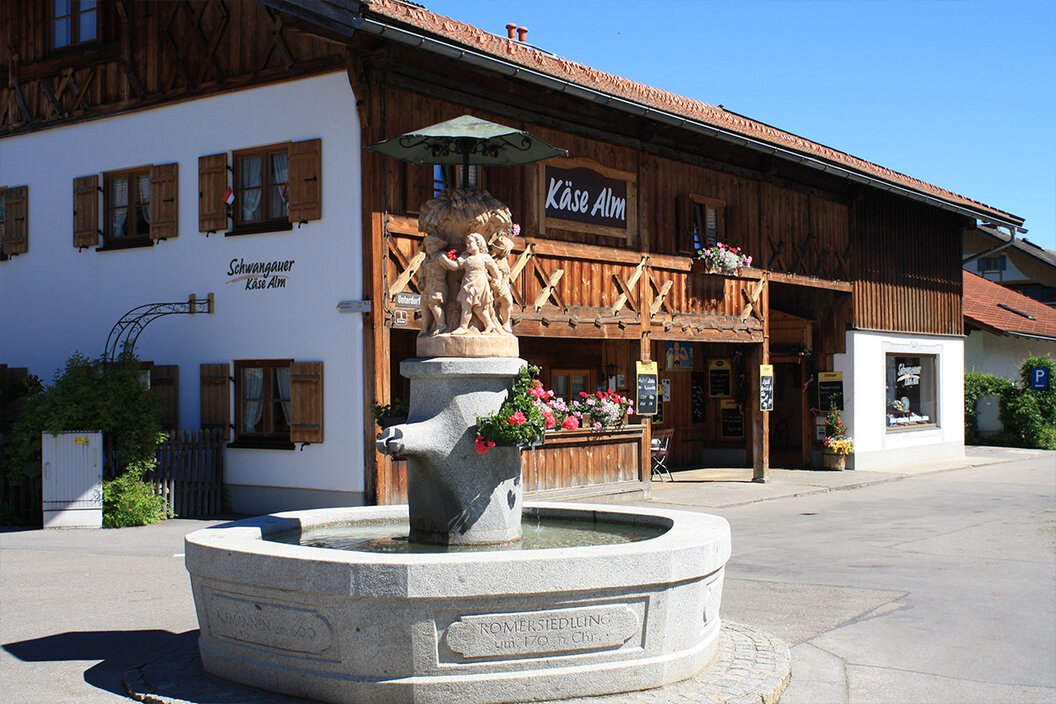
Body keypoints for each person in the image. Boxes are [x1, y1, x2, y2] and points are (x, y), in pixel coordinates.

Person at [450, 232, 501, 335]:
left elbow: (494, 270)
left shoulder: (484, 257)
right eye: (466, 243)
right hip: (468, 282)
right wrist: (444, 259)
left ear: (479, 243)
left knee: (468, 305)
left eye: (470, 243)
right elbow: (455, 266)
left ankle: (463, 327)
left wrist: (497, 280)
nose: (468, 245)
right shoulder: (465, 256)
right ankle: (489, 324)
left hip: (479, 282)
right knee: (477, 308)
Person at [418, 234, 457, 336]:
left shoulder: (440, 256)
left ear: (438, 246)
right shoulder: (426, 261)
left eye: (431, 244)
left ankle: (441, 324)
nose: (429, 247)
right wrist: (421, 280)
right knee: (424, 304)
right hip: (428, 286)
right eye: (427, 245)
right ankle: (425, 327)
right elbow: (421, 272)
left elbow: (452, 266)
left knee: (433, 303)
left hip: (438, 284)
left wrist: (457, 262)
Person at [489, 236, 515, 334]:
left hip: (505, 284)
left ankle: (505, 322)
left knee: (507, 302)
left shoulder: (503, 260)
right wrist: (497, 282)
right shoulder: (497, 261)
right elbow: (497, 273)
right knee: (507, 300)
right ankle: (505, 322)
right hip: (500, 286)